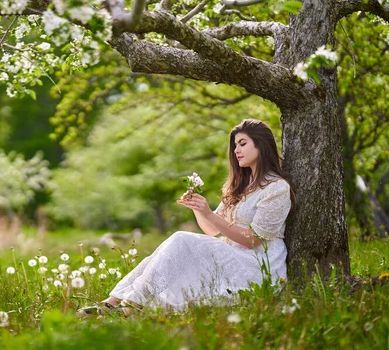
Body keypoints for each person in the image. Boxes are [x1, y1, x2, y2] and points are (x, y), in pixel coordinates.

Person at [77, 119, 294, 316]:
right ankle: (113, 301)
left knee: (181, 239)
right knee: (165, 250)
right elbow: (212, 230)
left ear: (261, 144)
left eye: (242, 143)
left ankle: (132, 305)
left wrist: (209, 213)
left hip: (257, 266)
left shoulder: (276, 188)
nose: (236, 150)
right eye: (235, 145)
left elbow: (254, 239)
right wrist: (199, 209)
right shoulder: (241, 186)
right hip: (231, 255)